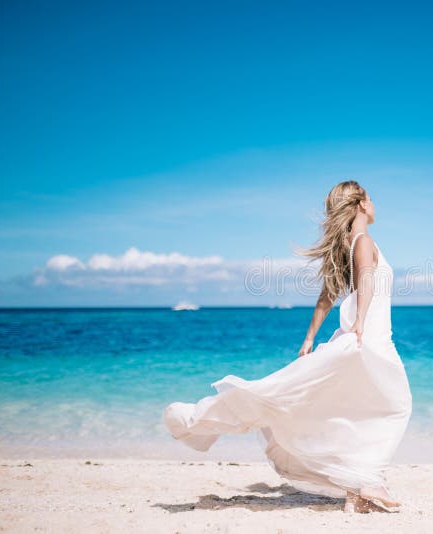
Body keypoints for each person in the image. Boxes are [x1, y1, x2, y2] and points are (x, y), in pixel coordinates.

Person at [163, 180, 413, 513]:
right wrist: (361, 324)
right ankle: (368, 479)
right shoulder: (363, 241)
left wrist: (310, 338)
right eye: (370, 197)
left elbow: (327, 295)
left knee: (355, 409)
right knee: (396, 406)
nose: (374, 203)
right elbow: (364, 282)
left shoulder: (350, 244)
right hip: (370, 336)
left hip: (366, 334)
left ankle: (359, 487)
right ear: (361, 205)